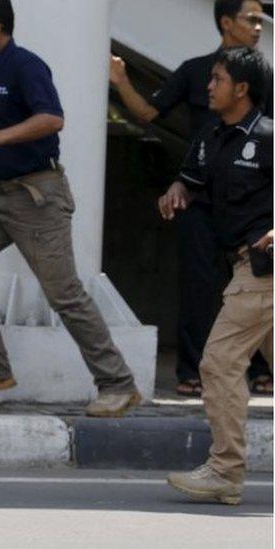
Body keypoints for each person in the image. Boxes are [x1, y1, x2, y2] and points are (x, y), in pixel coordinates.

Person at [0, 0, 141, 417]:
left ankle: (118, 384)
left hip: (37, 196)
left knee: (65, 294)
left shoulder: (27, 66)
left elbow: (51, 119)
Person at [109, 0, 272, 396]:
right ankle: (195, 371)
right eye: (251, 19)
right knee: (202, 287)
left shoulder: (265, 91)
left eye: (260, 20)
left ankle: (255, 370)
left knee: (253, 292)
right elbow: (149, 113)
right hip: (203, 198)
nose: (258, 27)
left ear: (245, 89)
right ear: (225, 22)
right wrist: (121, 81)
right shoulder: (197, 75)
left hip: (253, 208)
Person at [164, 47, 272, 505]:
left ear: (242, 89)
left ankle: (226, 471)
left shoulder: (268, 137)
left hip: (263, 268)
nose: (209, 86)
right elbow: (195, 177)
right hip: (242, 266)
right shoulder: (212, 135)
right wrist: (177, 188)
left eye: (219, 79)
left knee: (219, 362)